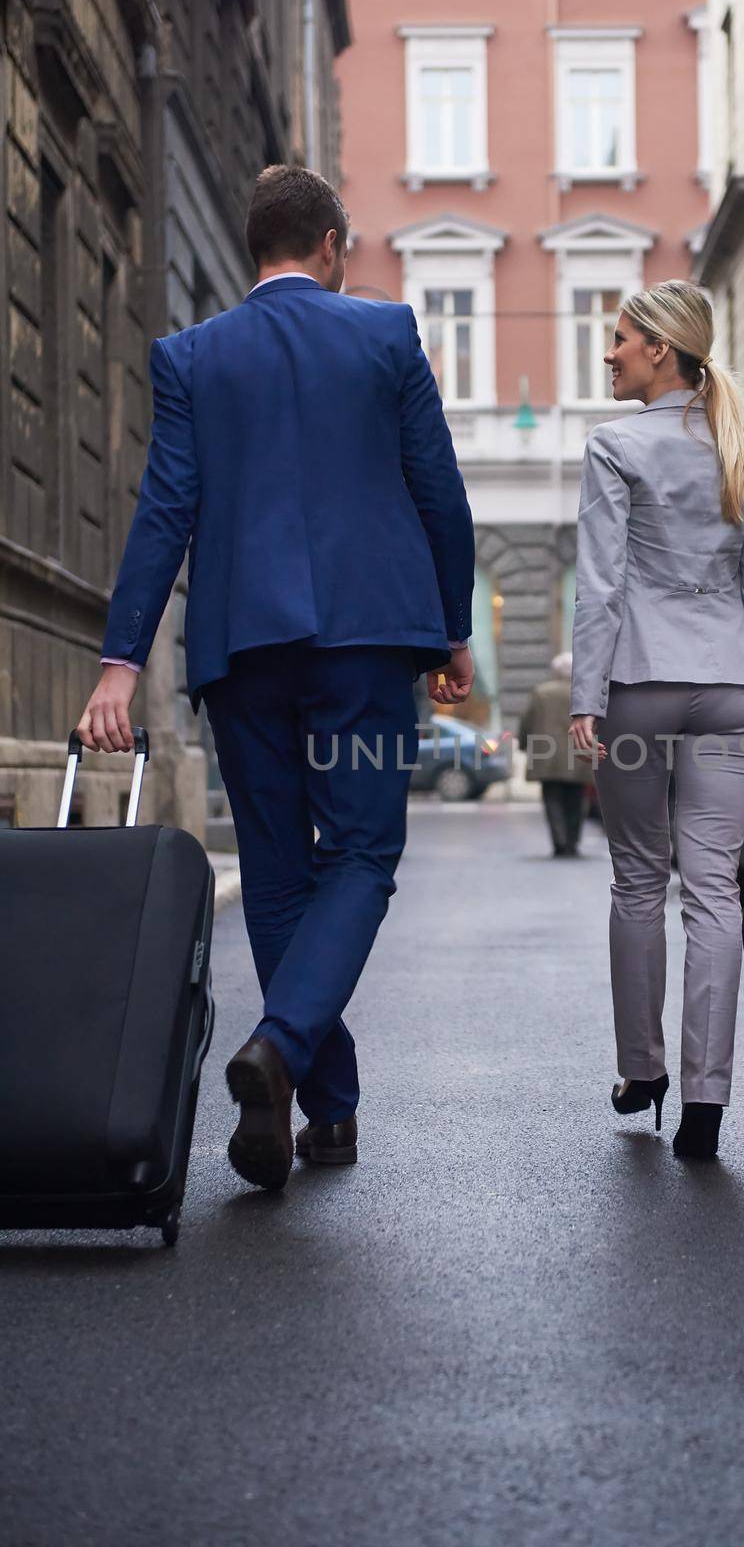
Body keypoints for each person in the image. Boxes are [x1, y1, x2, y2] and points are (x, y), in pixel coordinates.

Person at [76, 165, 476, 1191]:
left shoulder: (192, 357)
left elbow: (164, 510)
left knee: (280, 871)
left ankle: (323, 1105)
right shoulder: (385, 336)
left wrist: (121, 661)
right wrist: (451, 632)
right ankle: (283, 1047)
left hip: (242, 652)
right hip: (365, 647)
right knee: (361, 855)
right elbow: (438, 490)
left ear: (256, 247)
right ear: (332, 247)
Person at [568, 279, 744, 1161]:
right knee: (715, 890)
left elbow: (603, 584)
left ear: (659, 349)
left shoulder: (614, 448)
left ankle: (642, 1070)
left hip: (641, 687)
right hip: (729, 691)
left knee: (640, 883)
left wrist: (587, 696)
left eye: (619, 340)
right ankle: (707, 1105)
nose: (609, 354)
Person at [517, 652, 595, 857]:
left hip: (547, 755)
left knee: (552, 799)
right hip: (578, 753)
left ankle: (559, 841)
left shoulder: (541, 692)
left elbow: (526, 720)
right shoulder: (583, 692)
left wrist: (523, 743)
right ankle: (573, 841)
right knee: (577, 799)